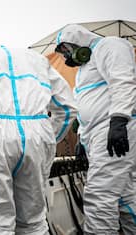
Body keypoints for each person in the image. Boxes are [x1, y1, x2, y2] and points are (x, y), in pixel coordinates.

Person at [0, 45, 77, 234]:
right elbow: (67, 108)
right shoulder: (39, 61)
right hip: (36, 133)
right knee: (32, 222)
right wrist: (47, 140)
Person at [55, 24, 136, 235]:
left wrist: (119, 120)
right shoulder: (85, 69)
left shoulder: (110, 46)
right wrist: (82, 136)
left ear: (79, 41)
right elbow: (92, 101)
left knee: (100, 194)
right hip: (99, 134)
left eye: (66, 50)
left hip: (113, 128)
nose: (66, 56)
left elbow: (123, 82)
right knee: (126, 194)